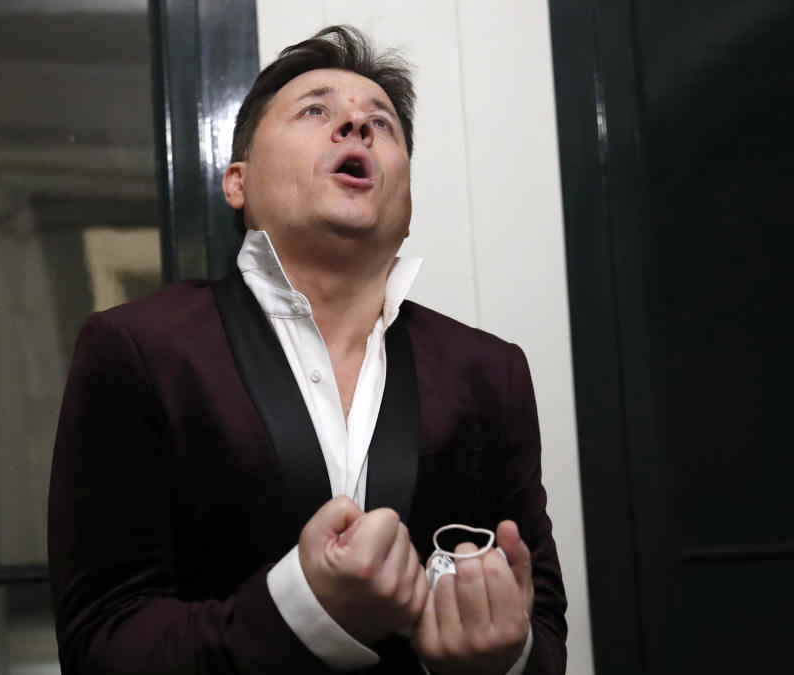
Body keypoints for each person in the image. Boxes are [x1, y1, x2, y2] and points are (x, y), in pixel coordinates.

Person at [48, 25, 567, 674]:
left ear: (405, 203)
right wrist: (303, 610)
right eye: (316, 110)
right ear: (237, 181)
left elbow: (543, 630)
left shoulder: (490, 372)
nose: (357, 125)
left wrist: (507, 653)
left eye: (382, 123)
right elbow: (100, 641)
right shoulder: (138, 349)